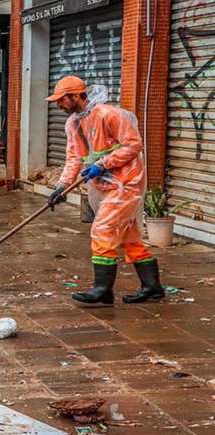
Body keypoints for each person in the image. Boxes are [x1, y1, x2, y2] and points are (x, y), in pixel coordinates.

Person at [47, 75, 165, 305]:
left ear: (76, 96)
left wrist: (102, 164)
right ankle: (153, 287)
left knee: (102, 229)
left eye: (61, 100)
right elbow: (74, 158)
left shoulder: (109, 114)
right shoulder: (73, 123)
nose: (58, 105)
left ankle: (103, 290)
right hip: (105, 184)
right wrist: (61, 187)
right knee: (129, 237)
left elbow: (134, 145)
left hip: (126, 183)